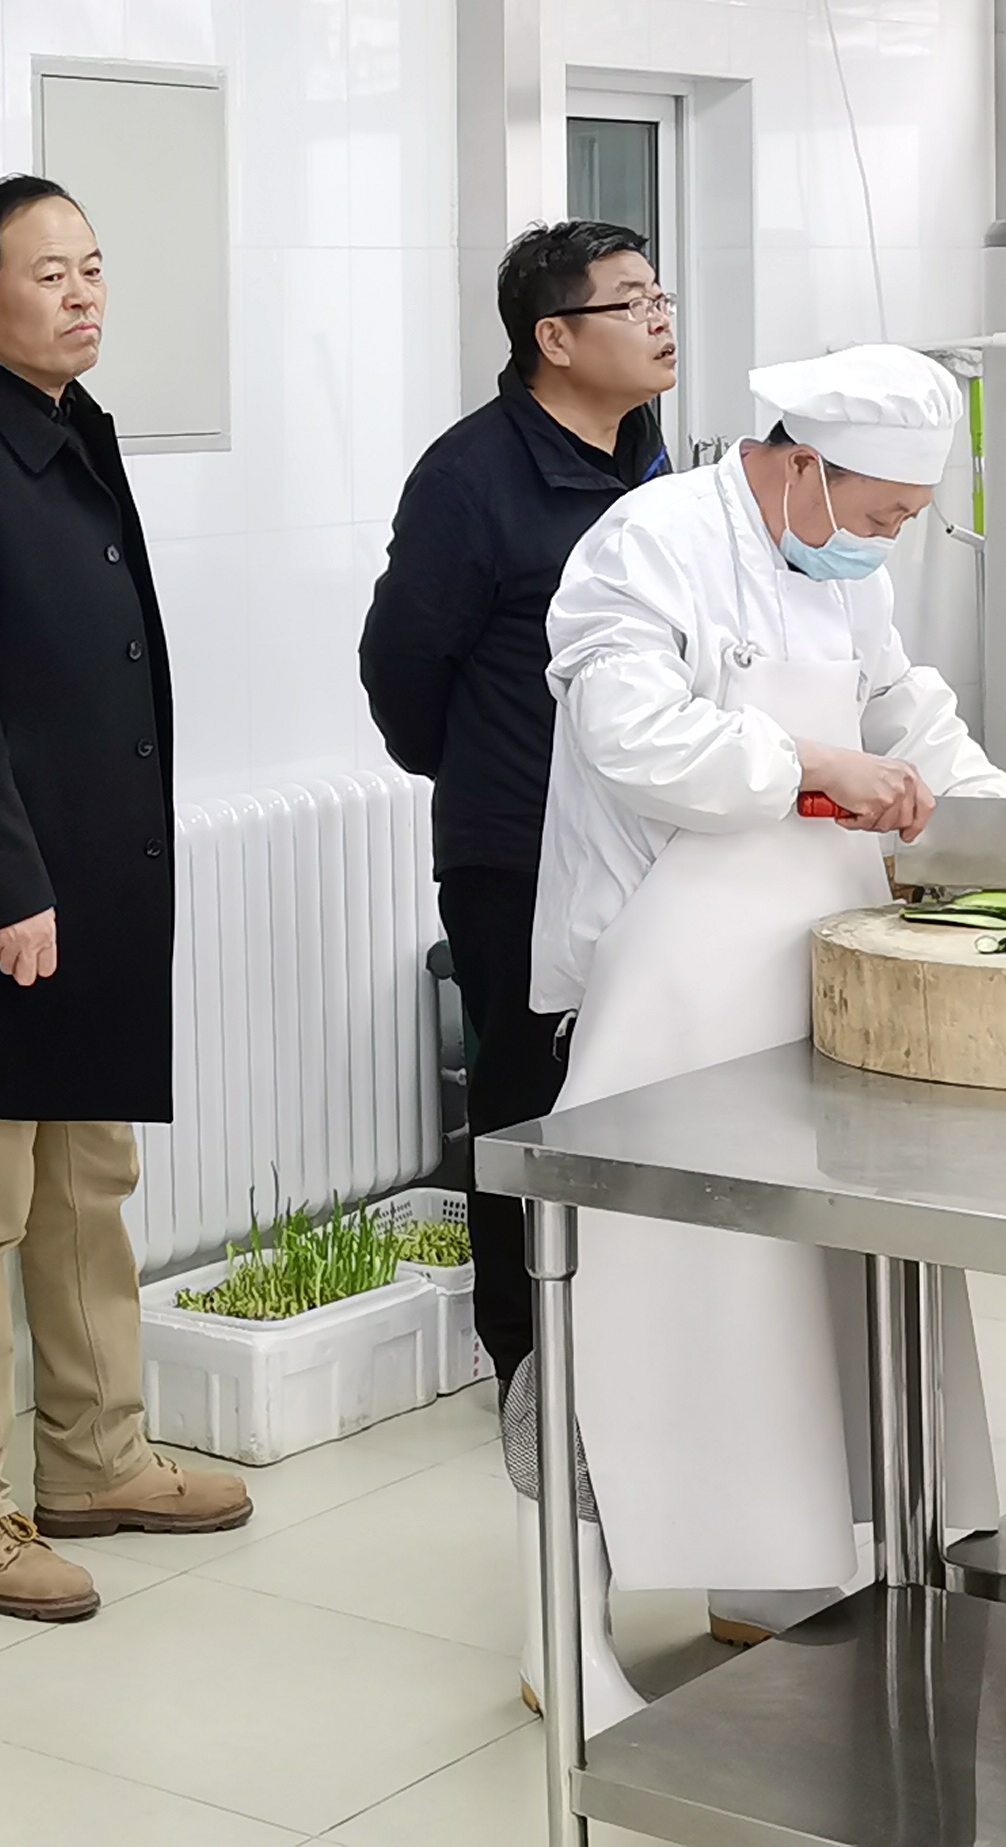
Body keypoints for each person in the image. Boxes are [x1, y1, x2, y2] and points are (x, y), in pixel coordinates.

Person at [517, 344, 1006, 1725]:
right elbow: (631, 731)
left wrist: (1000, 816)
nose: (884, 543)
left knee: (801, 1292)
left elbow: (900, 704)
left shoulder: (842, 560)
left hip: (808, 970)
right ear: (803, 464)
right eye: (879, 515)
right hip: (671, 980)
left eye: (906, 523)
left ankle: (773, 1572)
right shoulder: (650, 544)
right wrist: (807, 768)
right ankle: (557, 1627)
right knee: (640, 1297)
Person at [0, 176, 248, 1627]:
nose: (82, 294)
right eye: (48, 273)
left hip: (88, 881)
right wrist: (8, 887)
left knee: (88, 1185)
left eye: (93, 267)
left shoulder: (69, 425)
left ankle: (95, 1458)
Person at [359, 221, 672, 1390]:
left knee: (638, 1089)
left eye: (659, 295)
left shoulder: (651, 461)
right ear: (556, 338)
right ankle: (528, 1357)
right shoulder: (471, 477)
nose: (659, 318)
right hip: (518, 847)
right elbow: (403, 661)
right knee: (529, 1100)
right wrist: (478, 768)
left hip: (641, 835)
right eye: (629, 302)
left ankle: (631, 1347)